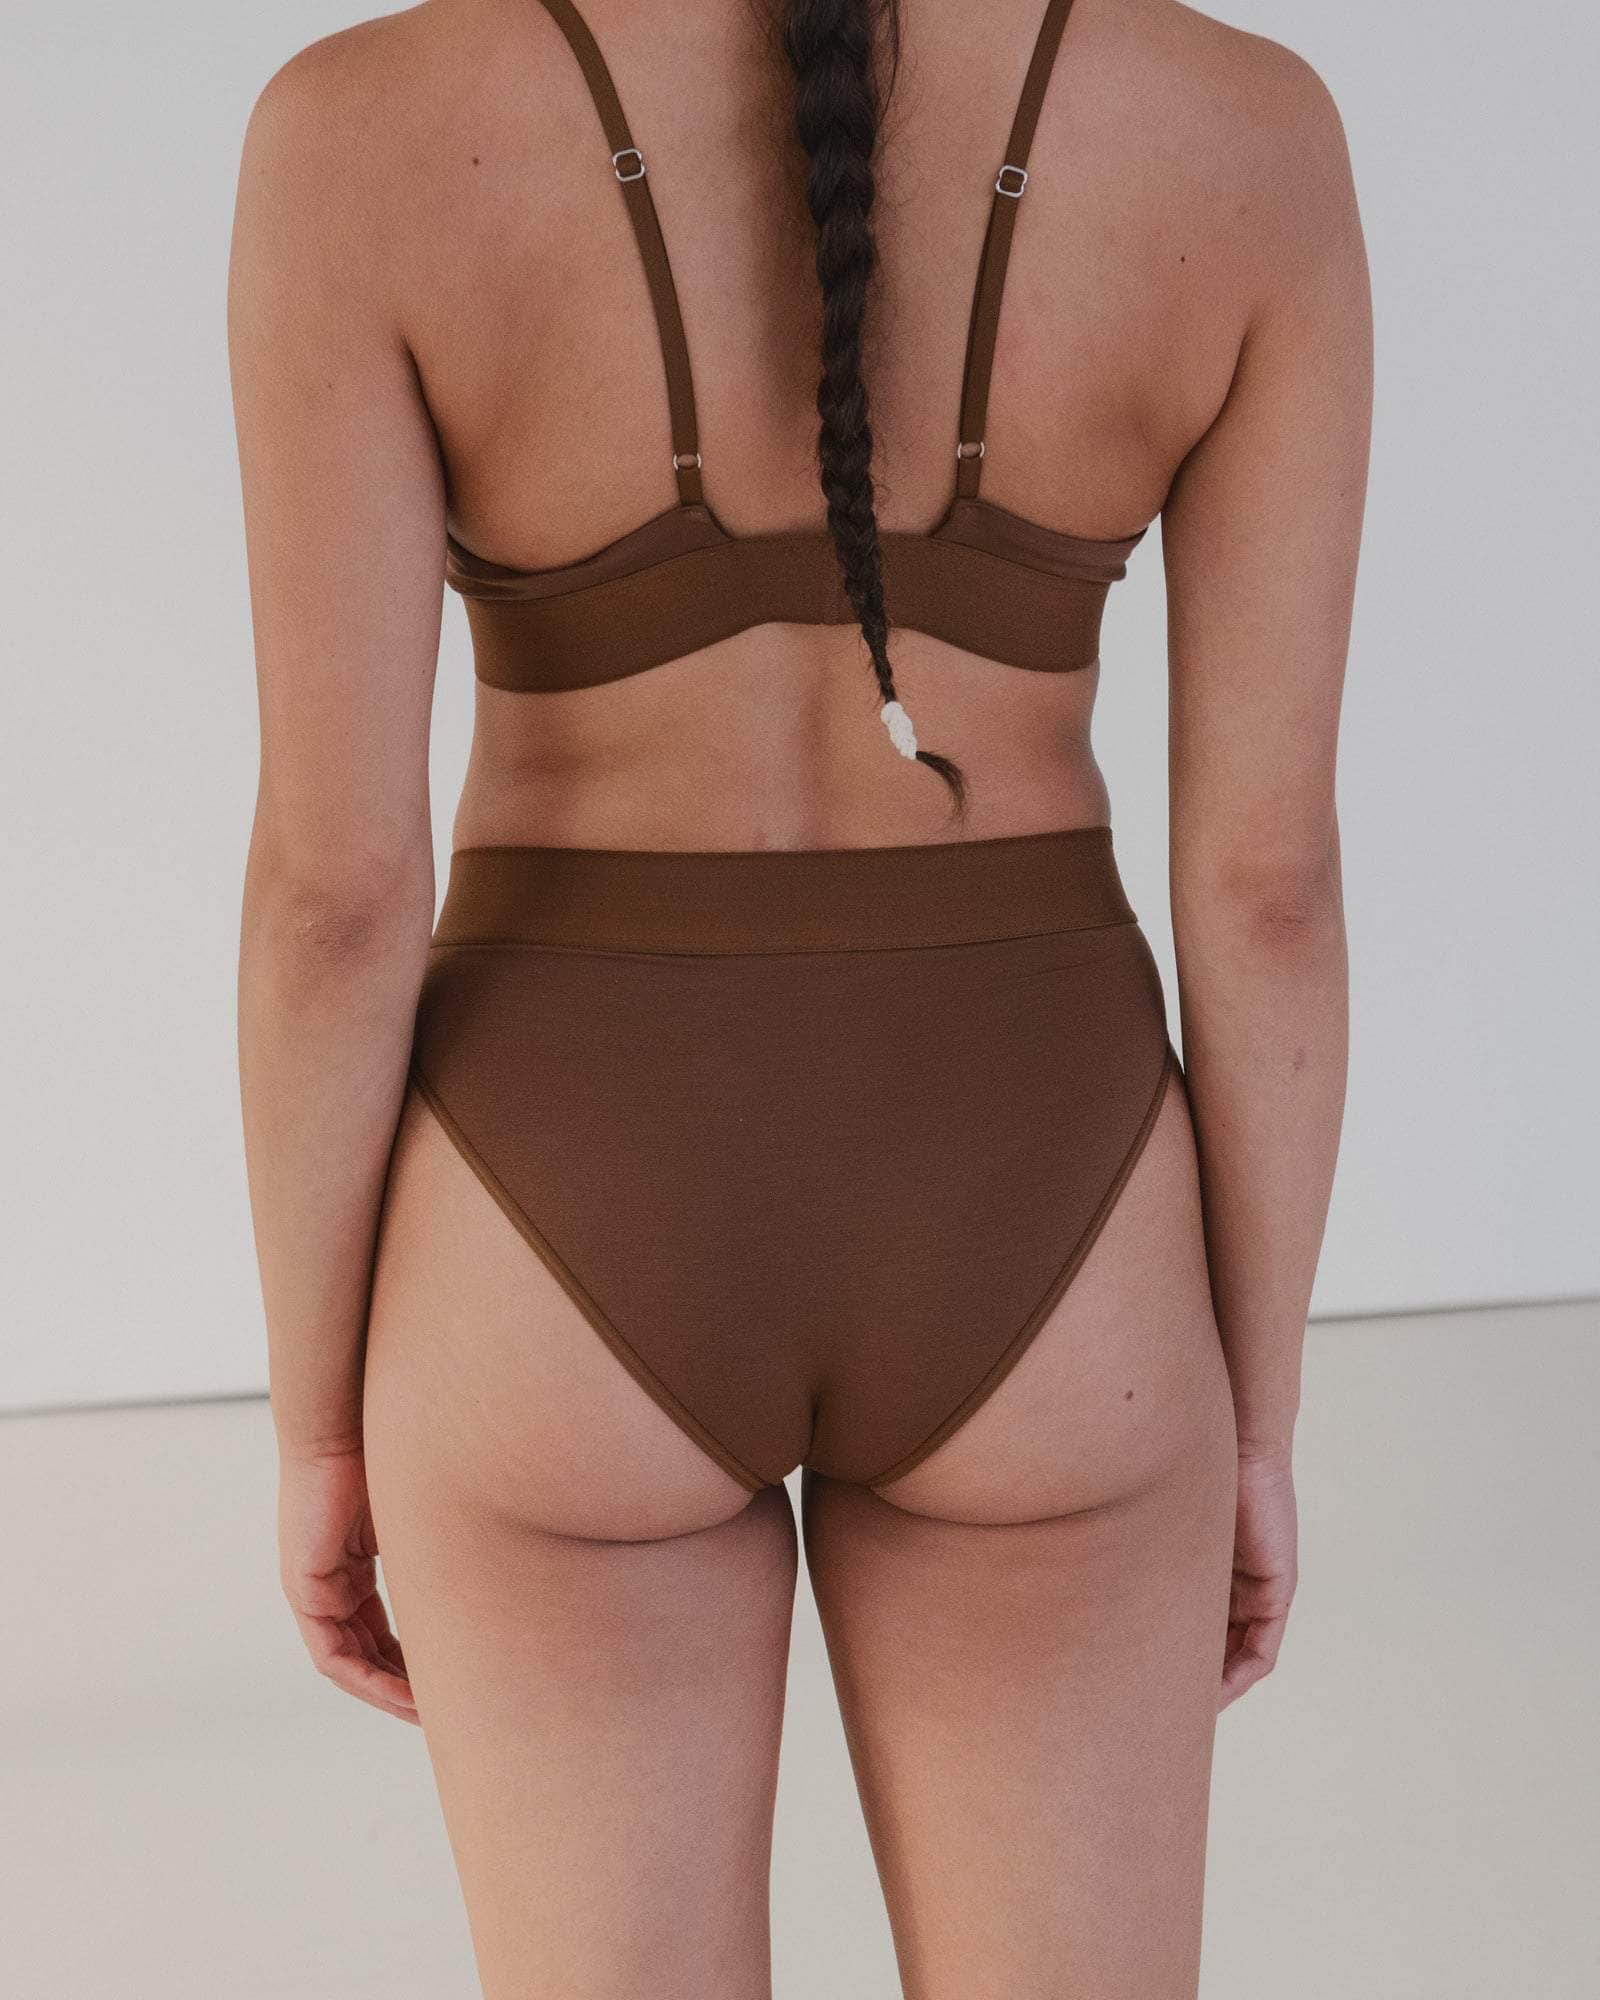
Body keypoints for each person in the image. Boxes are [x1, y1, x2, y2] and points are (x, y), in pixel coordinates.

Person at [229, 0, 1369, 1991]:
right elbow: (1264, 889)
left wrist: (322, 1425)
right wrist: (1251, 1416)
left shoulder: (358, 131)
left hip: (549, 1216)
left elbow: (335, 897)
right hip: (1049, 1206)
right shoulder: (1242, 130)